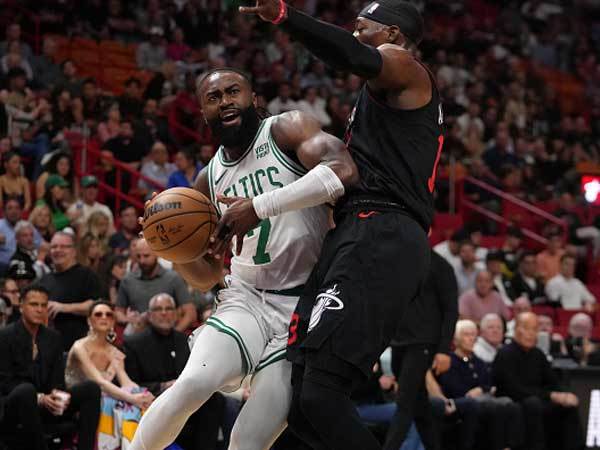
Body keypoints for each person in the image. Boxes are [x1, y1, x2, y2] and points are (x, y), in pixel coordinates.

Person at [235, 2, 443, 449]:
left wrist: (285, 16)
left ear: (391, 33)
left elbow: (352, 56)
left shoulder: (405, 65)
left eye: (361, 28)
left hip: (382, 229)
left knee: (322, 395)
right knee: (302, 405)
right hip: (356, 229)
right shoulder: (383, 93)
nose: (354, 34)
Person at [129, 68, 357, 450]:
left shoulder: (287, 129)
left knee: (250, 441)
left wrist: (259, 206)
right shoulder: (209, 179)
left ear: (253, 98)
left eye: (233, 91)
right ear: (203, 113)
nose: (225, 101)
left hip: (304, 306)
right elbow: (206, 276)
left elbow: (343, 172)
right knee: (193, 384)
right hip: (246, 298)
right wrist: (173, 250)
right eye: (213, 98)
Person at [0, 285, 101, 450]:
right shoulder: (5, 336)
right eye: (34, 304)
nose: (39, 310)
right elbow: (5, 383)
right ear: (21, 306)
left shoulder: (53, 337)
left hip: (46, 403)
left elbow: (57, 380)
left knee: (91, 389)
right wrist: (39, 398)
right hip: (14, 405)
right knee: (26, 390)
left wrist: (55, 395)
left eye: (43, 305)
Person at [124, 294, 224, 450]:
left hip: (184, 400)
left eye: (169, 308)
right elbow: (131, 385)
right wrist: (163, 386)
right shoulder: (134, 344)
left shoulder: (186, 341)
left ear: (176, 314)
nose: (164, 313)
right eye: (158, 309)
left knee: (214, 399)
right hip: (153, 400)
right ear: (149, 315)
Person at [384, 250, 458, 450]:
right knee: (420, 405)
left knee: (405, 401)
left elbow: (451, 309)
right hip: (399, 341)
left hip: (424, 342)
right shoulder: (396, 261)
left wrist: (444, 349)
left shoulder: (440, 265)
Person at [65, 301, 154, 449]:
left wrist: (143, 395)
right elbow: (100, 382)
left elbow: (126, 382)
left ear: (113, 321)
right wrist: (133, 398)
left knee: (139, 401)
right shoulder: (79, 346)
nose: (104, 317)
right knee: (122, 403)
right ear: (89, 320)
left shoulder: (115, 352)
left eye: (108, 314)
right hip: (78, 401)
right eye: (98, 314)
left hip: (103, 397)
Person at [493, 312, 584, 450]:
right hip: (514, 399)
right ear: (516, 329)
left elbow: (553, 382)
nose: (531, 333)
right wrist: (550, 395)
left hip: (538, 398)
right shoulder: (505, 353)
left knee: (568, 405)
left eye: (535, 329)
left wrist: (564, 395)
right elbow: (513, 388)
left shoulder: (538, 354)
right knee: (533, 404)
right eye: (526, 328)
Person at [435, 320, 522, 450]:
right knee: (495, 407)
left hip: (483, 399)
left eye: (473, 335)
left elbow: (489, 384)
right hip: (461, 402)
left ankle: (510, 446)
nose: (471, 338)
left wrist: (481, 389)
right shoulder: (449, 362)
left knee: (511, 404)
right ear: (455, 340)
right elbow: (453, 388)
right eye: (466, 335)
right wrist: (481, 390)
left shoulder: (478, 362)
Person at [38, 232, 103, 351]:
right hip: (51, 349)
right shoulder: (45, 280)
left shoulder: (86, 275)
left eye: (63, 247)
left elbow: (97, 306)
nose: (58, 250)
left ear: (74, 251)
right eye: (54, 247)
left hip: (81, 348)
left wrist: (64, 307)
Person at [116, 238, 196, 333]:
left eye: (146, 256)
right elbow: (118, 312)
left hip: (167, 334)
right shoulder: (128, 280)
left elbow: (190, 313)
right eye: (138, 256)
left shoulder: (173, 278)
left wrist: (174, 336)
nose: (142, 261)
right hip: (138, 337)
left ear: (157, 254)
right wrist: (128, 320)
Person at [0, 198, 41, 272]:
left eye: (17, 208)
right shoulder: (0, 225)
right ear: (4, 212)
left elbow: (42, 246)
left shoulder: (28, 226)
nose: (14, 211)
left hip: (28, 265)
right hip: (4, 268)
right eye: (10, 208)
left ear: (21, 211)